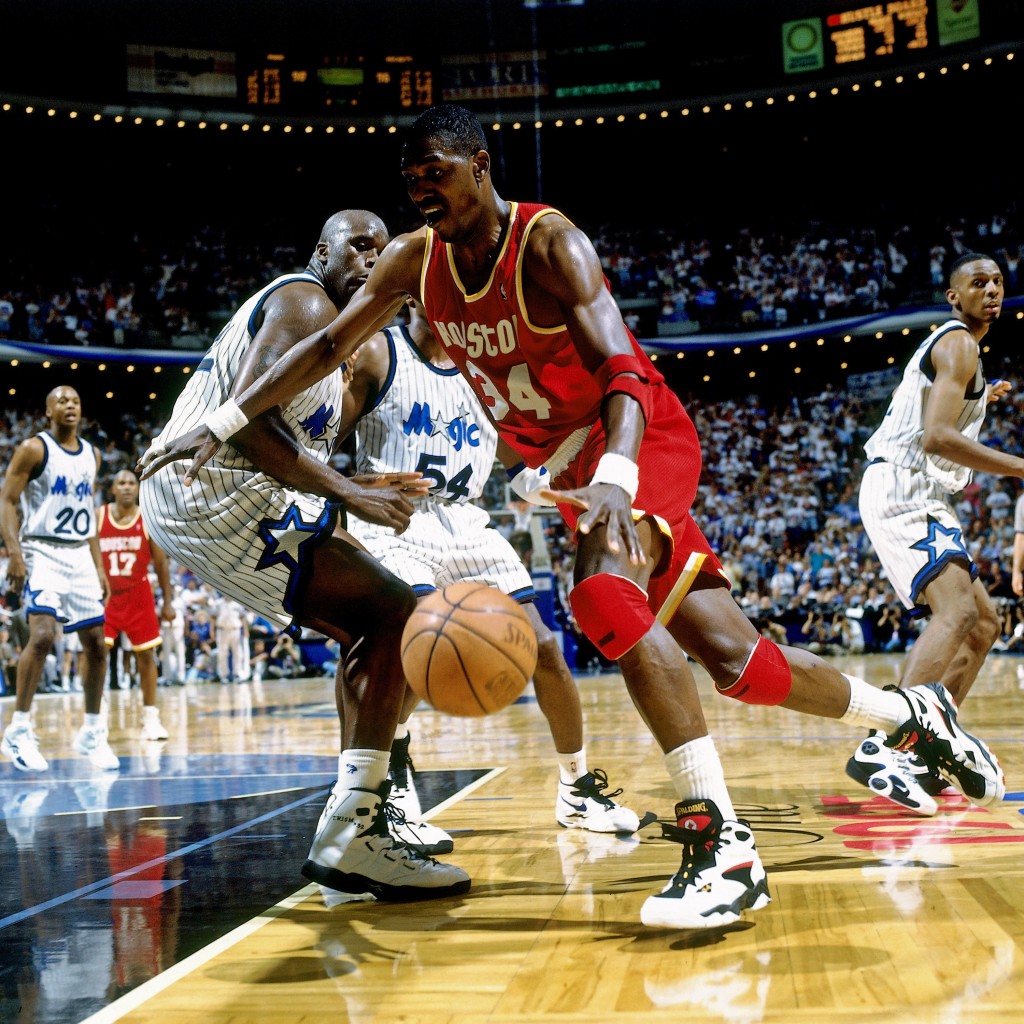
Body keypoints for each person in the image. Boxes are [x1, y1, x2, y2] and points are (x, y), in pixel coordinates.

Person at [143, 106, 1004, 930]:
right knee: (738, 660)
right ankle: (912, 717)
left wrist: (617, 482)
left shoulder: (550, 243)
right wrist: (218, 423)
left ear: (480, 166)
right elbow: (324, 348)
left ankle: (721, 845)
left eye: (437, 176)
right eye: (413, 185)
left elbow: (625, 374)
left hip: (637, 436)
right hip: (568, 463)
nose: (425, 196)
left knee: (599, 598)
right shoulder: (414, 260)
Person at [138, 209, 470, 903]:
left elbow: (294, 453)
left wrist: (360, 483)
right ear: (322, 252)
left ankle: (358, 825)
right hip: (210, 488)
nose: (372, 258)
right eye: (358, 245)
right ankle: (355, 833)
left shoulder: (341, 344)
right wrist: (350, 492)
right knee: (394, 613)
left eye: (382, 251)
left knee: (377, 619)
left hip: (229, 492)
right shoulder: (304, 300)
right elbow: (250, 428)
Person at [338, 295, 639, 854]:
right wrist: (356, 490)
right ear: (412, 302)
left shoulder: (481, 377)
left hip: (470, 524)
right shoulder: (381, 355)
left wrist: (547, 487)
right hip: (399, 522)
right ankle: (394, 784)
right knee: (420, 643)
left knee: (544, 648)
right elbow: (326, 441)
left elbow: (514, 464)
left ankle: (576, 787)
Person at [853, 251, 1018, 816]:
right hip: (904, 488)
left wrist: (982, 398)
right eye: (978, 282)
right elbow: (936, 438)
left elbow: (948, 416)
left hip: (922, 493)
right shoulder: (959, 344)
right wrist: (1020, 466)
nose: (991, 289)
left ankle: (925, 749)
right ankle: (887, 747)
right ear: (955, 297)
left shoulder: (968, 356)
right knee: (958, 615)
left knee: (984, 624)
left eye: (998, 281)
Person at [0, 385, 119, 772]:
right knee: (44, 635)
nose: (70, 405)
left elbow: (89, 514)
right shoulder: (34, 449)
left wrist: (99, 566)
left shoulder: (92, 455)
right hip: (41, 549)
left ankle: (92, 732)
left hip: (79, 553)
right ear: (48, 409)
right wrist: (14, 553)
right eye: (62, 401)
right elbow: (6, 500)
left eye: (76, 401)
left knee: (97, 646)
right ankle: (17, 730)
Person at [97, 469, 176, 740]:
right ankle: (96, 715)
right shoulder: (99, 516)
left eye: (132, 482)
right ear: (113, 489)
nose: (128, 487)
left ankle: (150, 718)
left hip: (138, 593)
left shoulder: (147, 517)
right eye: (122, 483)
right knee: (97, 655)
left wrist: (167, 601)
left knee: (146, 656)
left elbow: (161, 563)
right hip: (106, 595)